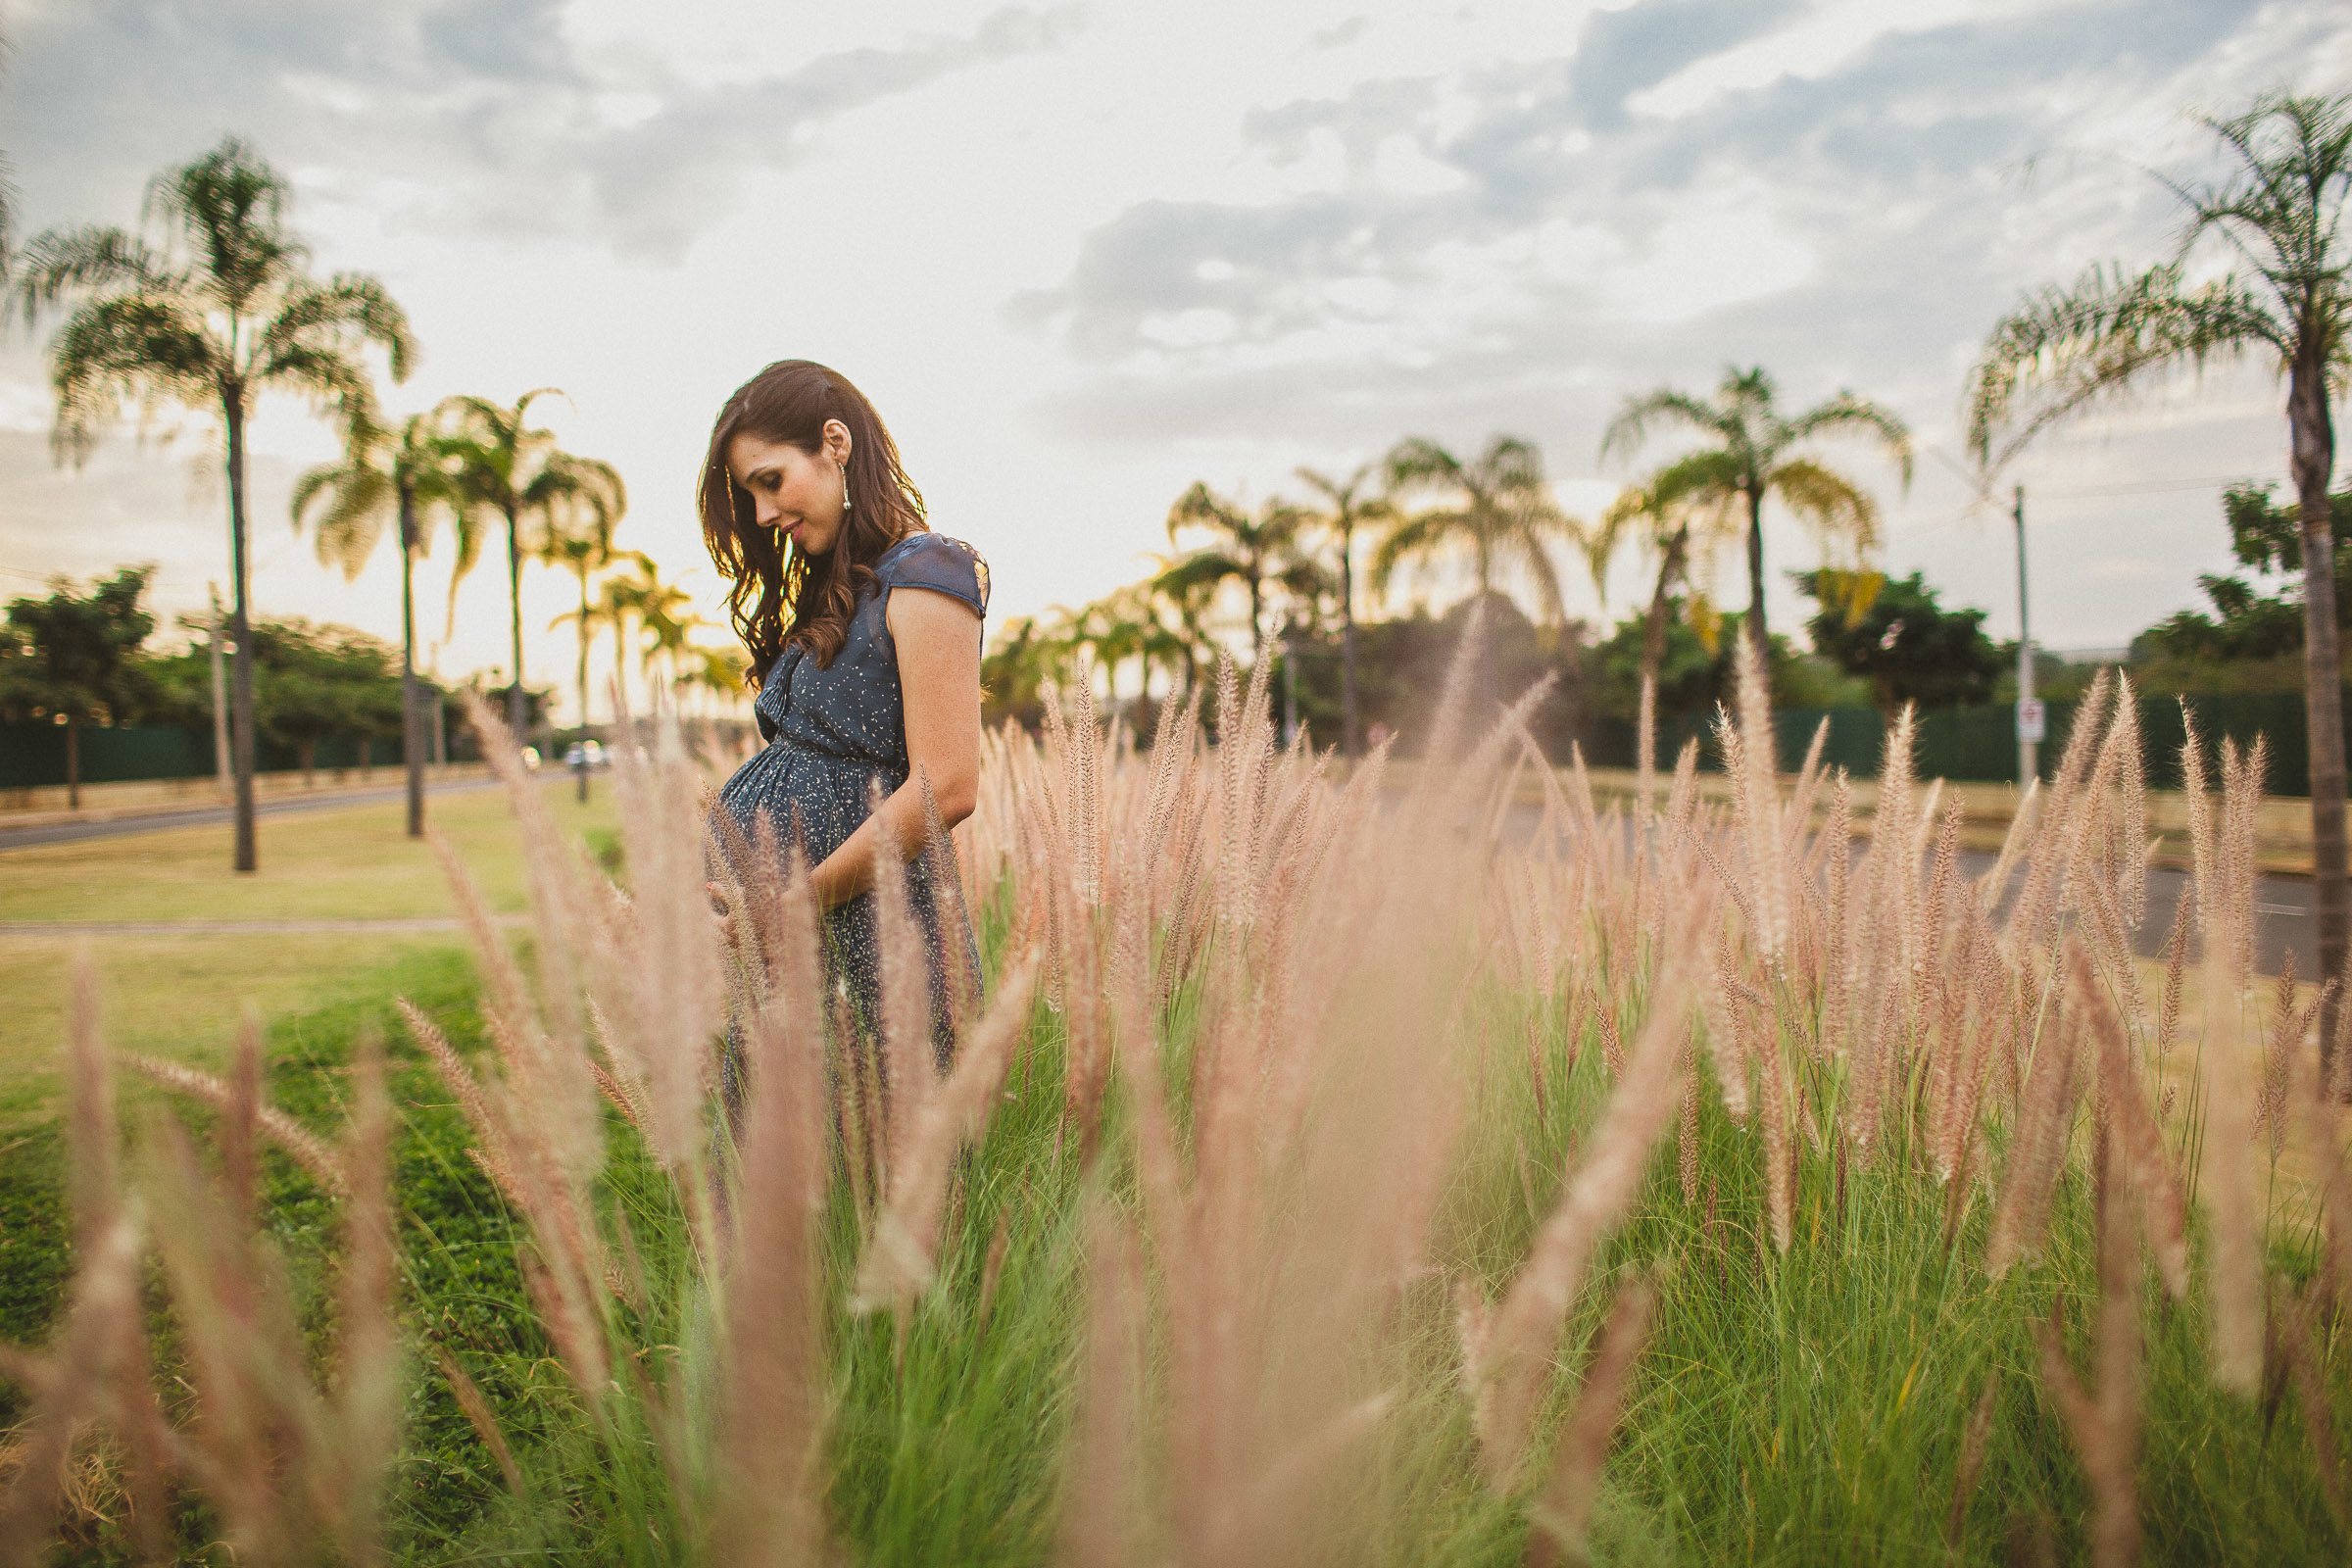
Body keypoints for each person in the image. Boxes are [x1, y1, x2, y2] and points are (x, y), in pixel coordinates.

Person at [699, 360, 990, 1105]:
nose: (762, 514)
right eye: (749, 494)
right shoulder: (838, 590)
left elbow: (948, 785)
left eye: (770, 480)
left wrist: (795, 905)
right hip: (794, 947)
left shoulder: (928, 571)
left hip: (874, 937)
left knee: (880, 1182)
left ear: (834, 443)